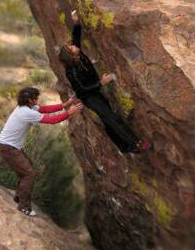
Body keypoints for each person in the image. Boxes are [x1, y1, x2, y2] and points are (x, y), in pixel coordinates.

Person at [59, 11, 150, 154]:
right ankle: (136, 144)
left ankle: (123, 146)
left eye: (71, 46)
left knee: (108, 120)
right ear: (71, 55)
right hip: (89, 97)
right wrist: (101, 83)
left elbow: (76, 37)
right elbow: (82, 89)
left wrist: (76, 22)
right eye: (71, 48)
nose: (73, 46)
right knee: (112, 118)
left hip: (95, 92)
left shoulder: (78, 54)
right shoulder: (71, 72)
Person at [0, 86, 82, 216]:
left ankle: (19, 197)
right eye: (36, 98)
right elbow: (52, 120)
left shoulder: (25, 107)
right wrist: (69, 112)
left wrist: (66, 104)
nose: (38, 99)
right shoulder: (26, 112)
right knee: (29, 174)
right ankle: (24, 206)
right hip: (9, 148)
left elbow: (44, 109)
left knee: (26, 171)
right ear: (30, 100)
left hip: (10, 147)